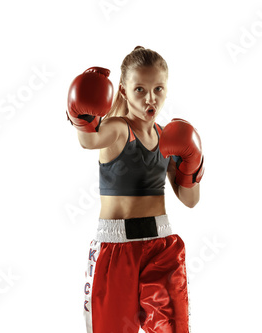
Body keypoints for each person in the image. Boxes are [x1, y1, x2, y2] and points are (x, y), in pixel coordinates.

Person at [66, 46, 204, 333]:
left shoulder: (169, 137)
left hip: (161, 246)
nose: (150, 98)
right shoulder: (118, 128)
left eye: (158, 89)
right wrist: (83, 117)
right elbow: (89, 141)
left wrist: (192, 167)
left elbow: (189, 200)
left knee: (174, 329)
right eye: (140, 89)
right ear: (124, 92)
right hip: (116, 249)